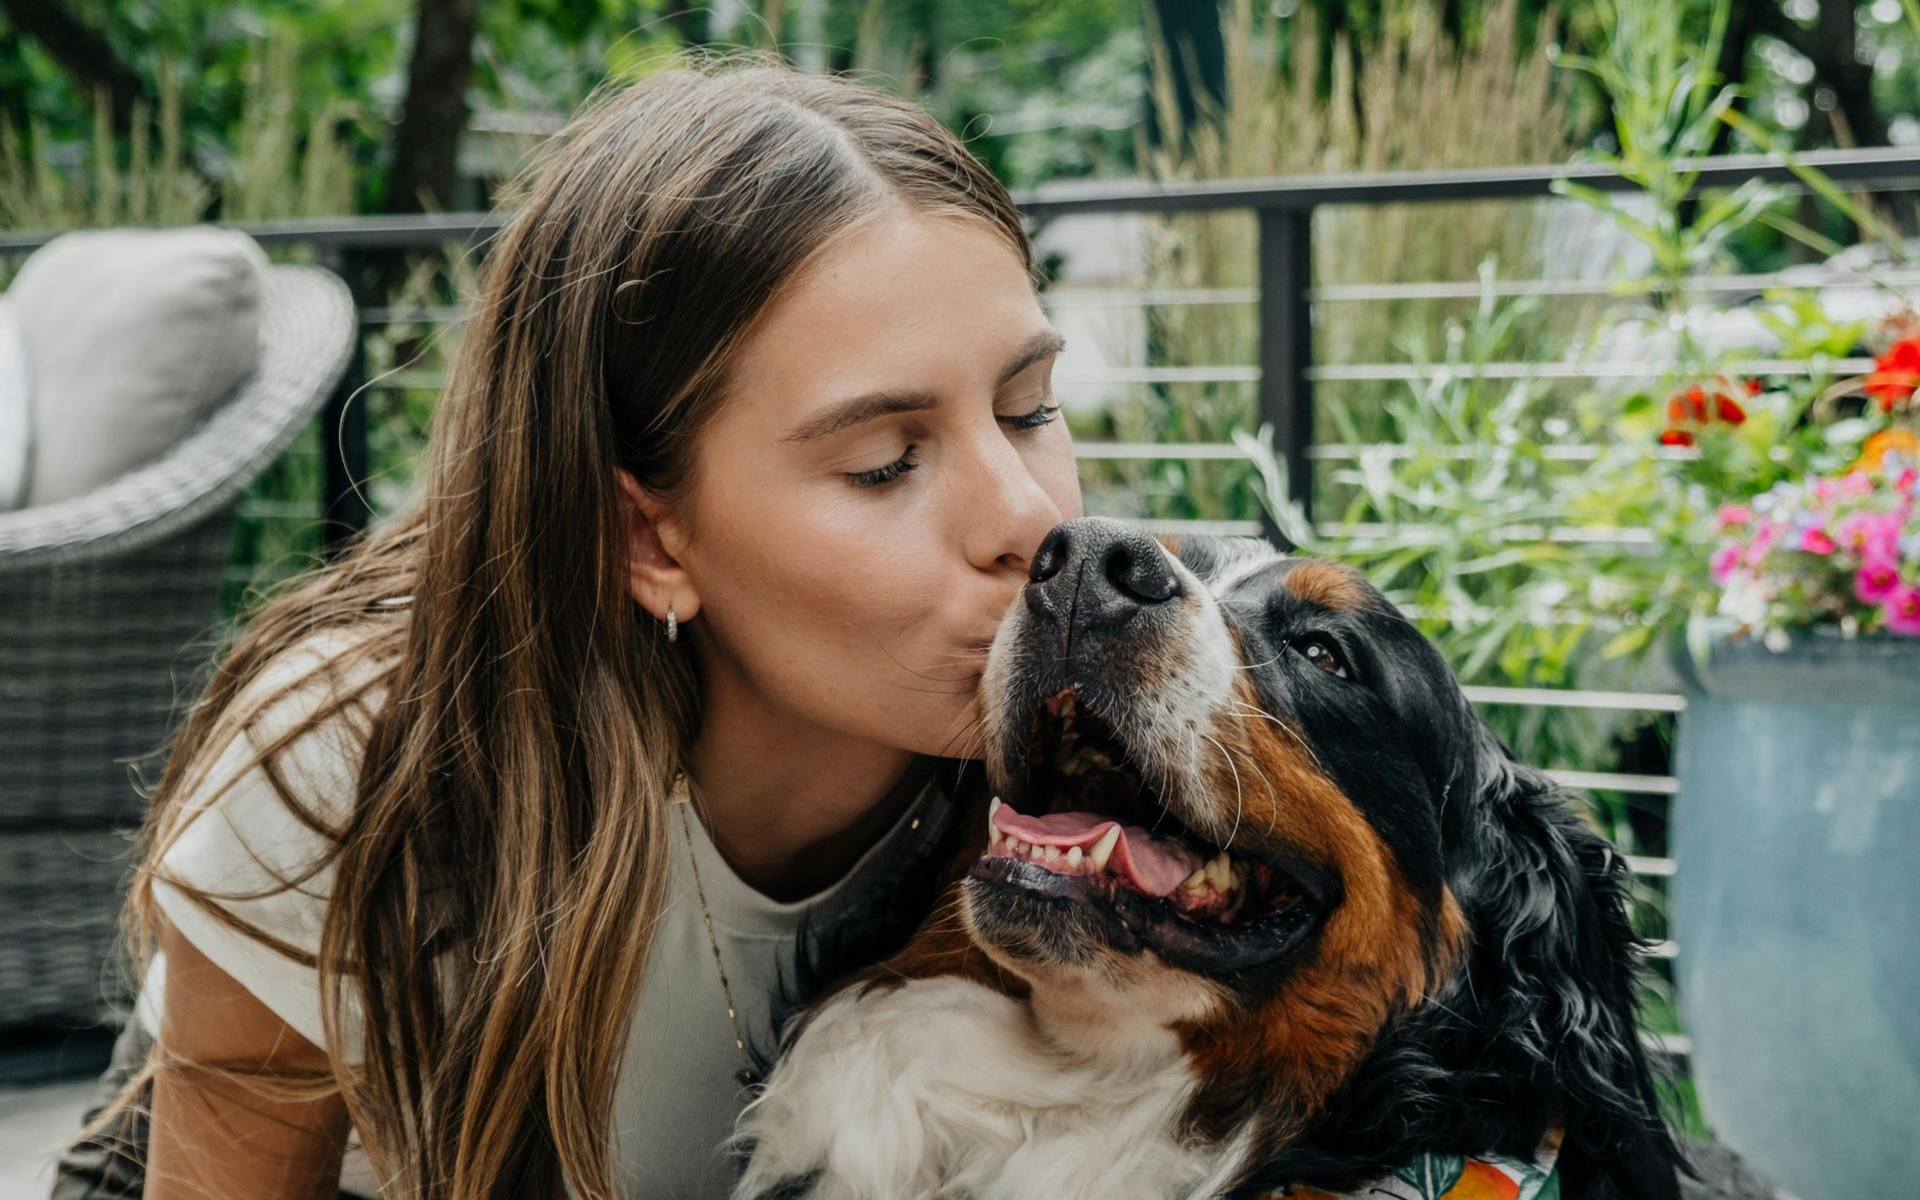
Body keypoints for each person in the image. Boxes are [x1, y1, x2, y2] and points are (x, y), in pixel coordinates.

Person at [54, 52, 1082, 1200]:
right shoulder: (358, 757)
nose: (1031, 521)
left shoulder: (1095, 716)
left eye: (1028, 407)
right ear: (648, 539)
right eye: (883, 464)